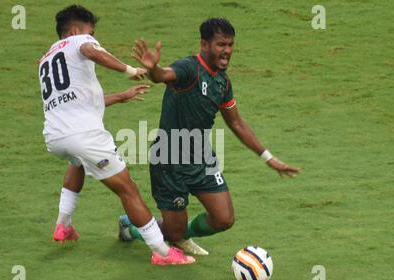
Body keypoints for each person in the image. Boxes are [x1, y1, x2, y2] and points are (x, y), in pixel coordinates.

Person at [119, 18, 300, 255]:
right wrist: (153, 69)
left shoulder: (222, 82)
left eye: (230, 45)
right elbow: (163, 75)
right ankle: (130, 228)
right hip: (169, 159)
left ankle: (183, 234)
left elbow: (236, 122)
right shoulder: (188, 68)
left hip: (201, 156)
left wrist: (268, 157)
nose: (227, 51)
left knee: (224, 218)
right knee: (172, 233)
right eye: (221, 45)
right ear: (205, 44)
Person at [38, 4, 195, 265]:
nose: (94, 38)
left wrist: (122, 96)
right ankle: (162, 252)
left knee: (77, 161)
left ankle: (62, 225)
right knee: (128, 189)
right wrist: (129, 70)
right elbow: (91, 50)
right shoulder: (81, 41)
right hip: (84, 135)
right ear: (76, 30)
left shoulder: (46, 59)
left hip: (55, 137)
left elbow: (76, 102)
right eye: (92, 32)